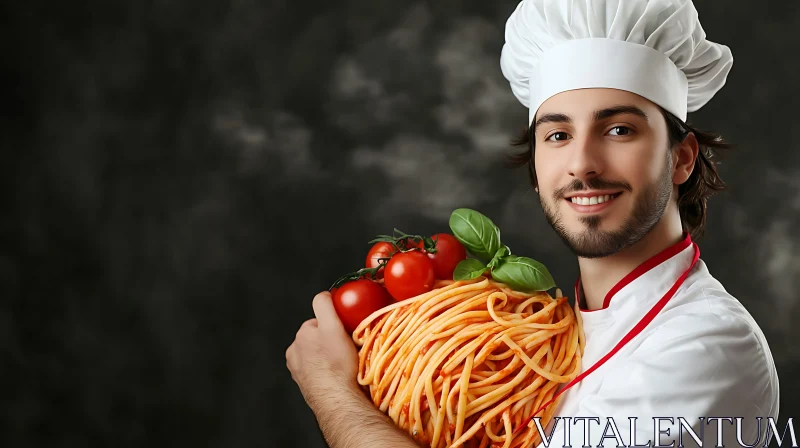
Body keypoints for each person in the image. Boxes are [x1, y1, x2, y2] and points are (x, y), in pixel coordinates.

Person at [286, 0, 781, 447]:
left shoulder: (707, 346)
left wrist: (333, 392)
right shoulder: (550, 333)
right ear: (537, 168)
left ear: (681, 158)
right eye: (559, 134)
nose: (582, 163)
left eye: (618, 129)